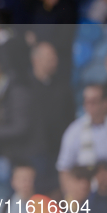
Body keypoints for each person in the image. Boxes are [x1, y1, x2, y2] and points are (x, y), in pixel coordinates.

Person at [28, 42, 74, 186]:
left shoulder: (63, 87)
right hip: (32, 152)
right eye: (49, 58)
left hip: (59, 151)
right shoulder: (23, 86)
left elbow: (70, 118)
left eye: (55, 58)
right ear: (36, 60)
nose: (54, 62)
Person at [56, 84, 107, 182]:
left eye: (93, 101)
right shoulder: (74, 131)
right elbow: (64, 168)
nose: (89, 105)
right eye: (86, 101)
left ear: (105, 103)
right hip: (86, 189)